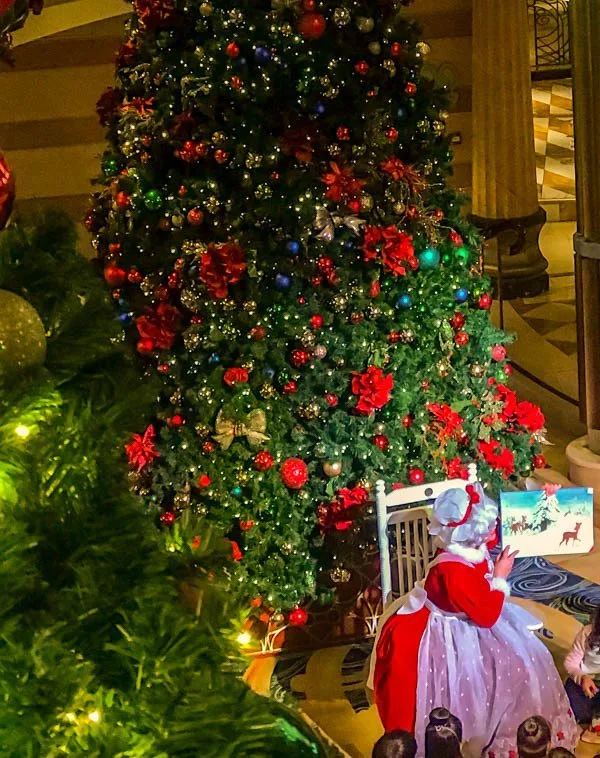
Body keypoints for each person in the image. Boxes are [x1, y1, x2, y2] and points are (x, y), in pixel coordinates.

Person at [369, 484, 578, 757]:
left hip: (475, 612)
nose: (495, 532)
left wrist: (545, 497)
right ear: (470, 533)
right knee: (501, 669)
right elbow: (487, 615)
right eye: (489, 528)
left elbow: (515, 528)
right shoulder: (452, 571)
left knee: (524, 658)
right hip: (454, 627)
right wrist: (500, 577)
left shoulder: (469, 546)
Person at [564, 605, 600, 742]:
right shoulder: (587, 633)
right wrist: (582, 678)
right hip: (585, 682)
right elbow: (570, 663)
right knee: (571, 707)